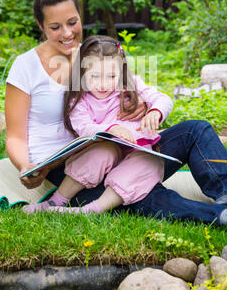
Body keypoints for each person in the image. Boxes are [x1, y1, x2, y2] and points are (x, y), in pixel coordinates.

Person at [5, 0, 227, 230]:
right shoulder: (26, 65)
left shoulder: (99, 53)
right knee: (139, 195)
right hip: (71, 171)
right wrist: (24, 166)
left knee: (194, 131)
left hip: (128, 151)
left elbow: (139, 90)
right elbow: (15, 136)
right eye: (55, 27)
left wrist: (144, 107)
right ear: (40, 26)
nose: (67, 33)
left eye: (72, 22)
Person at [22, 35, 172, 215]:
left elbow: (162, 98)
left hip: (136, 151)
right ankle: (55, 201)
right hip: (103, 152)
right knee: (101, 152)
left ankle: (92, 209)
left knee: (147, 162)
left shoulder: (129, 84)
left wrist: (155, 111)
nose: (103, 83)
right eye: (95, 76)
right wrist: (109, 130)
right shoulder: (79, 98)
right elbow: (83, 126)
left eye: (111, 76)